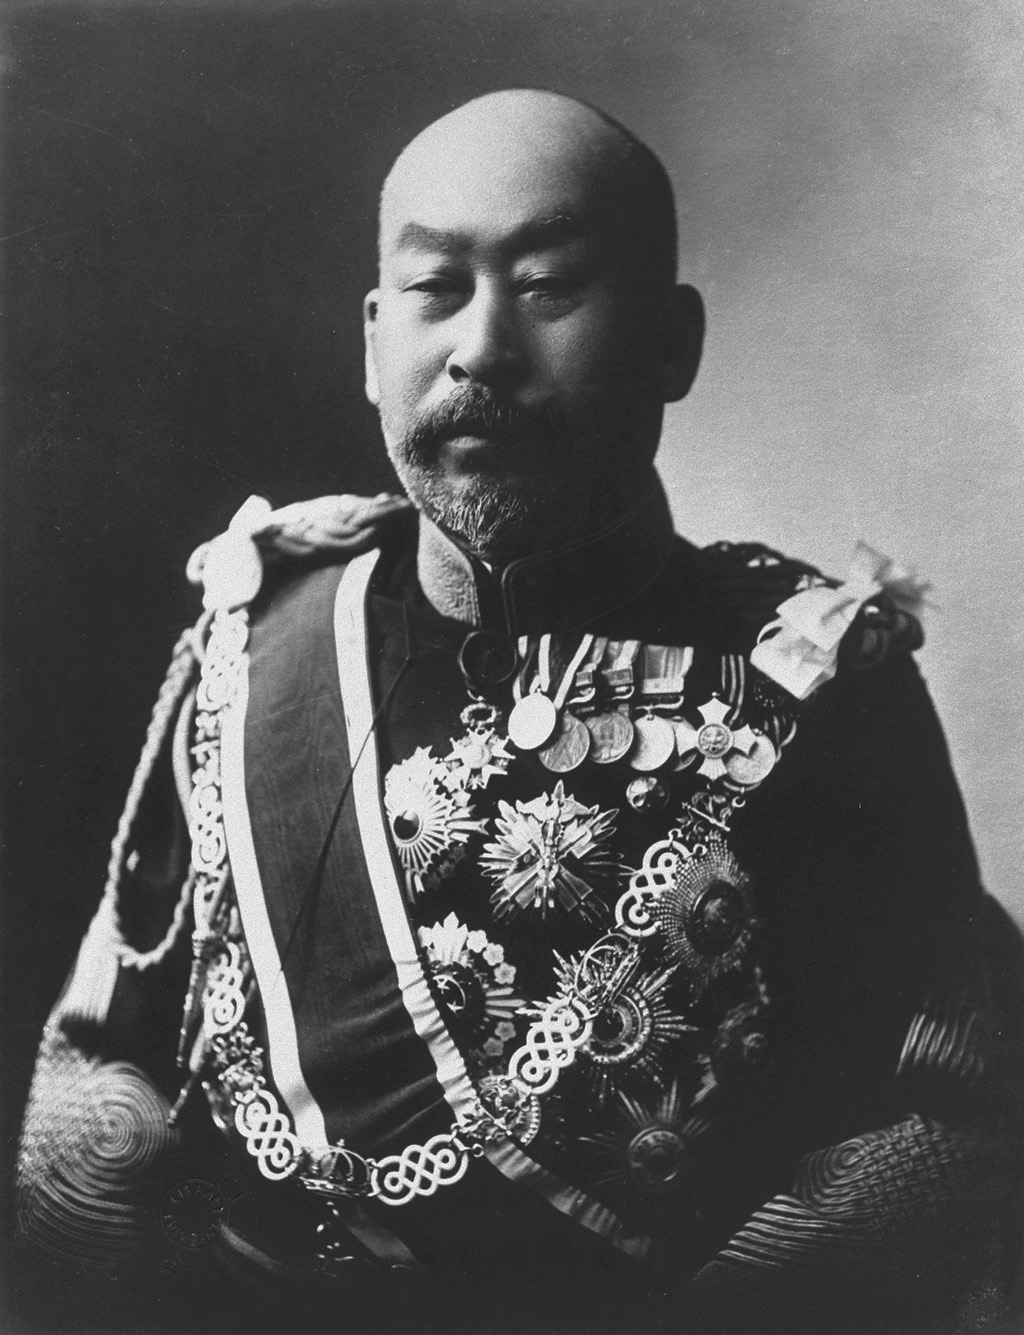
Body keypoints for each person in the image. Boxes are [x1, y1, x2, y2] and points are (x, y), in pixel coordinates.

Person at [16, 89, 1023, 1335]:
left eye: (547, 287)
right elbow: (101, 1075)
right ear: (373, 341)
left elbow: (934, 1125)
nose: (481, 349)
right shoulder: (252, 635)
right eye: (435, 290)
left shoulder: (808, 680)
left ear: (672, 342)